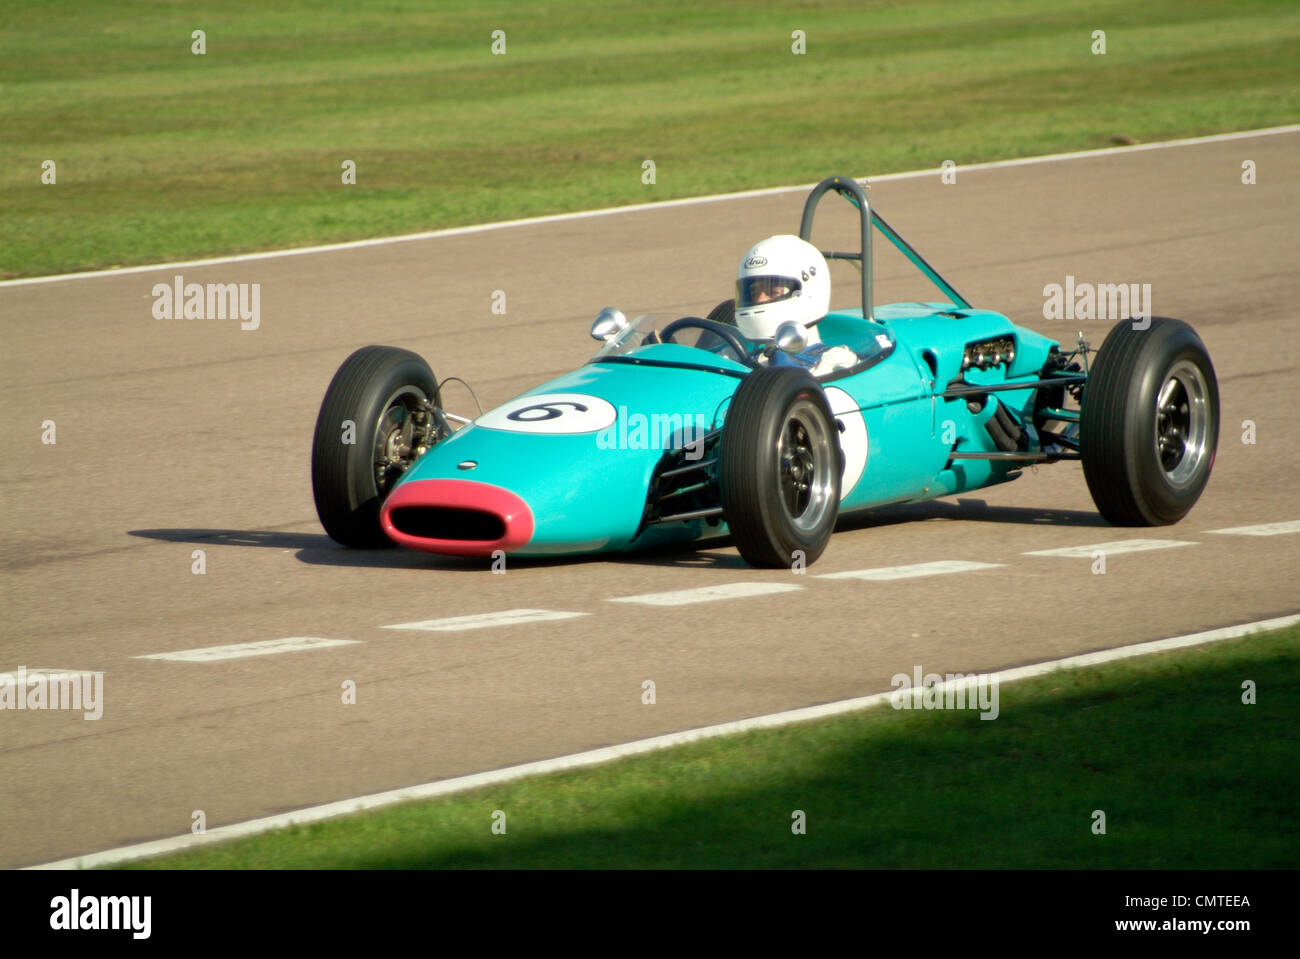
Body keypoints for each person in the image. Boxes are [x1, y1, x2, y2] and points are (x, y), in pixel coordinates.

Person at [734, 235, 857, 375]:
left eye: (772, 291)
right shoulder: (738, 353)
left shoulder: (837, 359)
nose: (760, 300)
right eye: (754, 292)